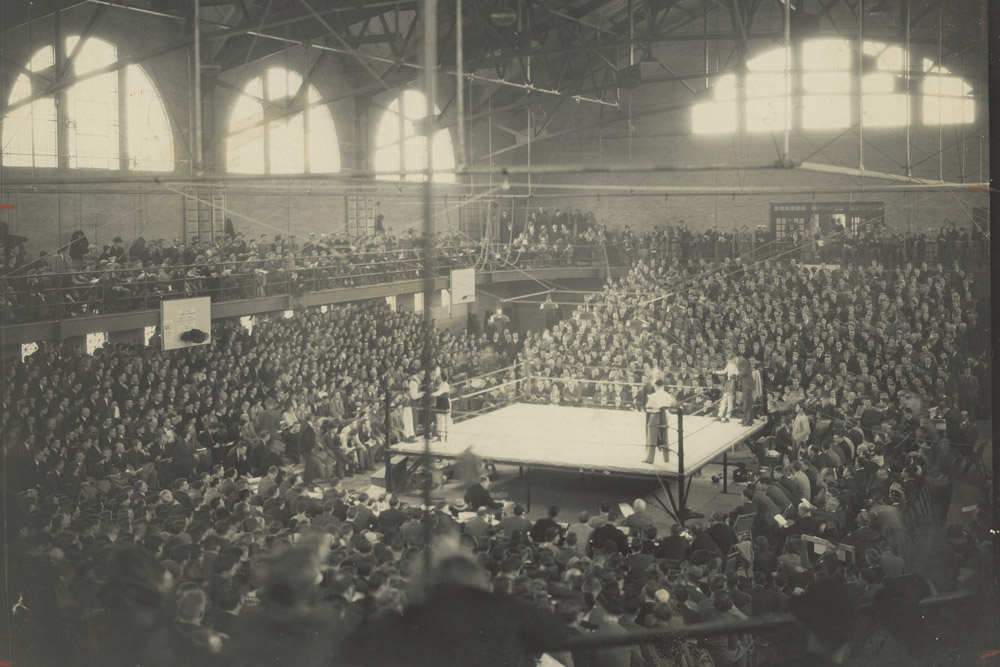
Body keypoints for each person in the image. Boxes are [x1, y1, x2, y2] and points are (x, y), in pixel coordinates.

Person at [643, 379, 675, 464]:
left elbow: (647, 407)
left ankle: (650, 459)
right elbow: (670, 404)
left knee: (652, 437)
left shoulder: (653, 396)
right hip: (664, 415)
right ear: (663, 386)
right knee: (665, 436)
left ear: (656, 386)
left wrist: (651, 409)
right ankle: (666, 458)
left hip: (655, 416)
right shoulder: (668, 395)